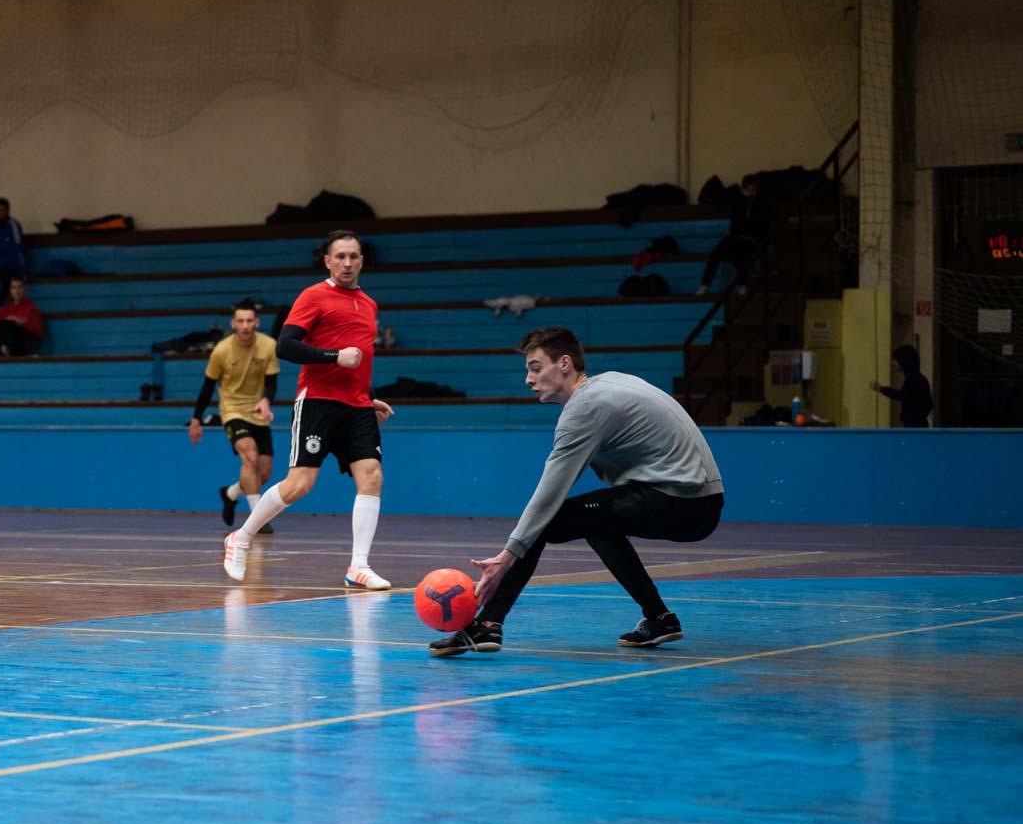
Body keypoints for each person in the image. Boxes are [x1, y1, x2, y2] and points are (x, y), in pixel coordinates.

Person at [428, 326, 725, 658]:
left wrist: (506, 558)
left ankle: (488, 624)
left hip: (682, 500)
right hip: (699, 500)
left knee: (547, 521)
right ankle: (659, 618)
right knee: (595, 521)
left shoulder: (585, 408)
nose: (528, 379)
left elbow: (549, 494)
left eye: (536, 368)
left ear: (565, 364)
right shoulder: (607, 384)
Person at [222, 231, 395, 589]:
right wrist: (334, 356)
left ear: (362, 261)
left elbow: (360, 359)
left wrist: (369, 394)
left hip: (357, 405)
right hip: (318, 400)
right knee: (300, 484)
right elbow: (285, 346)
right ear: (328, 261)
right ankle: (242, 536)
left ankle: (358, 566)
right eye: (340, 256)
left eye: (354, 256)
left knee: (372, 476)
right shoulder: (313, 295)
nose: (347, 263)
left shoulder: (369, 304)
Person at [188, 298, 280, 533]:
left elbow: (271, 382)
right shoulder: (222, 350)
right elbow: (207, 386)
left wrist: (266, 399)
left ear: (257, 322)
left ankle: (230, 493)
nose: (246, 326)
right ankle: (258, 520)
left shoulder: (268, 346)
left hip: (258, 411)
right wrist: (196, 419)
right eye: (241, 321)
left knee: (263, 473)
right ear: (233, 323)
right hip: (232, 410)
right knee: (250, 455)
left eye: (250, 321)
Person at [696, 175, 775, 296]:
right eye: (750, 188)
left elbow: (762, 225)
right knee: (716, 252)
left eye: (754, 188)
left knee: (739, 253)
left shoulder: (761, 202)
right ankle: (705, 284)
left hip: (751, 239)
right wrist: (744, 199)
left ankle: (743, 284)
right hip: (735, 236)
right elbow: (735, 220)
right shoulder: (738, 200)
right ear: (745, 188)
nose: (752, 191)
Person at [871, 344, 933, 428]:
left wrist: (881, 389)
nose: (893, 363)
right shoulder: (917, 378)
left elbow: (901, 395)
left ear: (903, 361)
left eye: (895, 360)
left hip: (915, 428)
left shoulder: (914, 379)